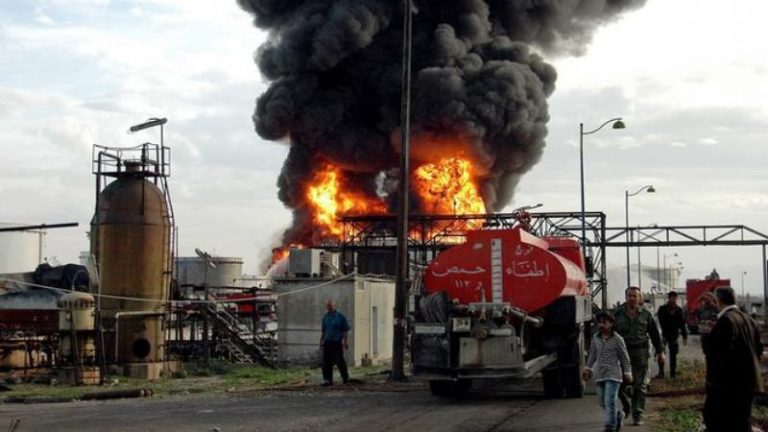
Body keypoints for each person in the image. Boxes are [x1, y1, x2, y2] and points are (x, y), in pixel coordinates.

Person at [703, 286, 763, 432]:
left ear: (719, 300)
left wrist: (706, 337)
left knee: (717, 421)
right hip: (748, 382)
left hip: (727, 386)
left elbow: (716, 354)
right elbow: (758, 349)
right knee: (742, 422)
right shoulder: (749, 319)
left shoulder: (726, 321)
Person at [613, 286, 663, 426]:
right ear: (626, 297)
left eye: (635, 296)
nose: (632, 298)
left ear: (639, 298)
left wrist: (660, 352)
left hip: (640, 353)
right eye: (630, 295)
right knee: (618, 384)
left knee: (639, 386)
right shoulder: (617, 315)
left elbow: (654, 335)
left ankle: (638, 413)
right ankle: (626, 406)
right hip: (622, 355)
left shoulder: (646, 315)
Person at [583, 311, 633, 432]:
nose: (601, 325)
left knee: (609, 401)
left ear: (611, 323)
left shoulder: (617, 339)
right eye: (599, 322)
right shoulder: (596, 338)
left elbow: (624, 357)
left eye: (604, 322)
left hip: (613, 374)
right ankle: (618, 415)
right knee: (602, 402)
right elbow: (592, 355)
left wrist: (627, 372)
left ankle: (609, 427)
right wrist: (588, 368)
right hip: (600, 374)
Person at [656, 291, 688, 378]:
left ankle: (673, 373)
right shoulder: (662, 309)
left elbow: (682, 324)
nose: (674, 300)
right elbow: (660, 321)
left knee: (673, 355)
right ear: (669, 298)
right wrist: (670, 315)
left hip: (674, 335)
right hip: (664, 335)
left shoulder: (679, 310)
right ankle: (661, 372)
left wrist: (684, 337)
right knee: (661, 353)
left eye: (675, 299)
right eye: (672, 298)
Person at [320, 299, 351, 386]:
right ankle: (327, 380)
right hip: (327, 342)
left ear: (334, 306)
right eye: (328, 306)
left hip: (337, 342)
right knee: (326, 362)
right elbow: (323, 330)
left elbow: (345, 330)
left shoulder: (340, 317)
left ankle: (345, 377)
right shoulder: (325, 317)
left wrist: (345, 341)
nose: (329, 307)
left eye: (331, 306)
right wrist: (321, 341)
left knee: (339, 360)